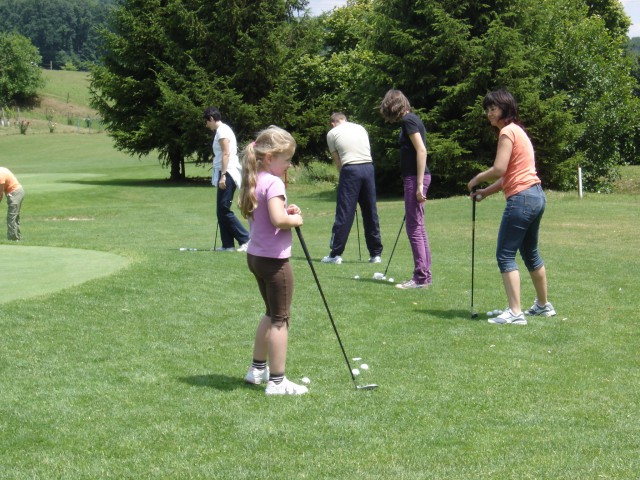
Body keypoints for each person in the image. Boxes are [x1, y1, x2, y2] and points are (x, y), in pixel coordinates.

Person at [467, 89, 556, 325]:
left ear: (505, 109)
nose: (489, 113)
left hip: (522, 199)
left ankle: (515, 313)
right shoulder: (519, 132)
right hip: (536, 196)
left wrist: (477, 179)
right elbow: (510, 175)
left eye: (493, 109)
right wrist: (486, 192)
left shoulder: (507, 132)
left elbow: (499, 169)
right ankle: (542, 305)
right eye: (487, 109)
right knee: (530, 253)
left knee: (505, 255)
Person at [238, 126, 308, 395]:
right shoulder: (274, 182)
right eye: (287, 159)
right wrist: (295, 219)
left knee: (270, 313)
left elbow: (271, 215)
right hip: (275, 261)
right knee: (281, 318)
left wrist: (287, 211)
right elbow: (279, 220)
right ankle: (277, 381)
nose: (289, 164)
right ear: (269, 157)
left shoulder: (257, 178)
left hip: (256, 257)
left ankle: (257, 369)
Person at [379, 89, 432, 289]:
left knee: (414, 228)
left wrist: (419, 184)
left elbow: (421, 150)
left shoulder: (408, 121)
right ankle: (425, 275)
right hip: (416, 178)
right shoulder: (413, 119)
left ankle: (420, 277)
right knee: (418, 226)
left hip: (415, 178)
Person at [321, 112, 383, 265]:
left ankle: (335, 254)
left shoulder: (332, 133)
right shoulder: (360, 128)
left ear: (333, 123)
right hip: (368, 168)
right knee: (370, 211)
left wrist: (345, 177)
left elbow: (338, 162)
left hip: (350, 169)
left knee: (344, 212)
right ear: (345, 119)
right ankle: (376, 254)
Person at [203, 107, 250, 252]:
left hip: (228, 172)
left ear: (211, 118)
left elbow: (226, 153)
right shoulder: (221, 130)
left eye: (206, 122)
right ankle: (227, 245)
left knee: (224, 209)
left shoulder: (222, 131)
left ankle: (246, 239)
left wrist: (223, 175)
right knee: (220, 210)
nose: (206, 125)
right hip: (223, 172)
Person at [0, 167, 24, 241]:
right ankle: (17, 238)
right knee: (15, 217)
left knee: (11, 217)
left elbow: (0, 193)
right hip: (18, 191)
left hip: (15, 193)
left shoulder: (1, 175)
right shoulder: (2, 169)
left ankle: (12, 239)